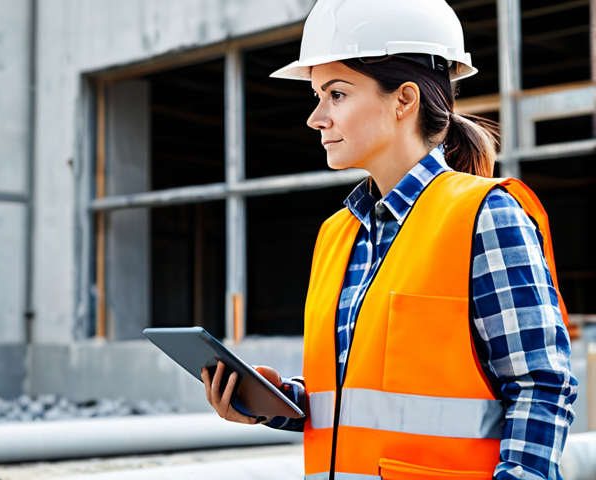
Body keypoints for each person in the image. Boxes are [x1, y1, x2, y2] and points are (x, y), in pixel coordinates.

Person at [200, 0, 578, 479]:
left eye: (336, 94)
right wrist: (276, 402)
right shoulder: (337, 235)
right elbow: (366, 406)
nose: (317, 117)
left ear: (404, 99)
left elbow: (540, 386)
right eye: (316, 95)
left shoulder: (486, 215)